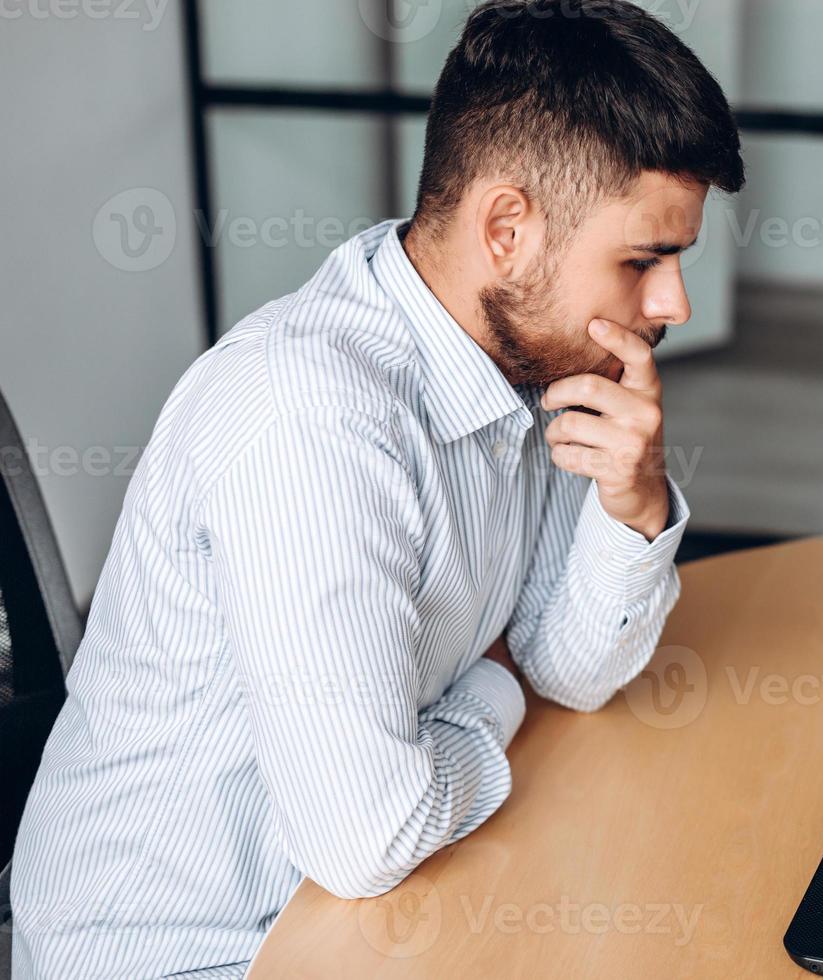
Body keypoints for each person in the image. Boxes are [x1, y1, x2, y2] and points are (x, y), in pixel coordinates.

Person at [10, 1, 744, 975]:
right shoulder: (310, 421)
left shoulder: (529, 361)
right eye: (644, 260)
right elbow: (368, 832)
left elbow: (569, 666)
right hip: (189, 951)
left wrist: (634, 502)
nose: (674, 305)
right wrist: (495, 682)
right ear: (508, 227)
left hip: (349, 912)